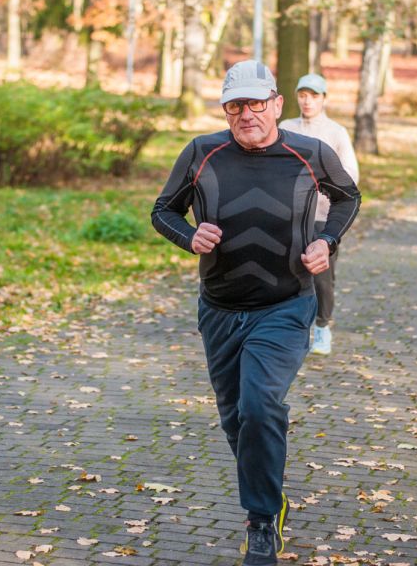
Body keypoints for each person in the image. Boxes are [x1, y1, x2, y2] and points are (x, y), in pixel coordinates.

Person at [151, 60, 361, 566]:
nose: (247, 114)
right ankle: (269, 492)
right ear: (225, 109)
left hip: (287, 305)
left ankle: (262, 520)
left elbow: (348, 196)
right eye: (235, 105)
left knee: (259, 406)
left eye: (256, 103)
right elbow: (163, 210)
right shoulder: (201, 153)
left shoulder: (310, 152)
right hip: (220, 309)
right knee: (235, 420)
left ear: (277, 104)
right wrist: (189, 237)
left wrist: (326, 242)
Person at [279, 73, 359, 356]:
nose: (307, 101)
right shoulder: (286, 128)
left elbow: (350, 175)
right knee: (288, 272)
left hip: (323, 217)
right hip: (290, 216)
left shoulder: (336, 133)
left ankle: (323, 327)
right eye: (302, 95)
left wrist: (324, 192)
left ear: (323, 99)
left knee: (321, 275)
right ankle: (292, 326)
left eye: (313, 96)